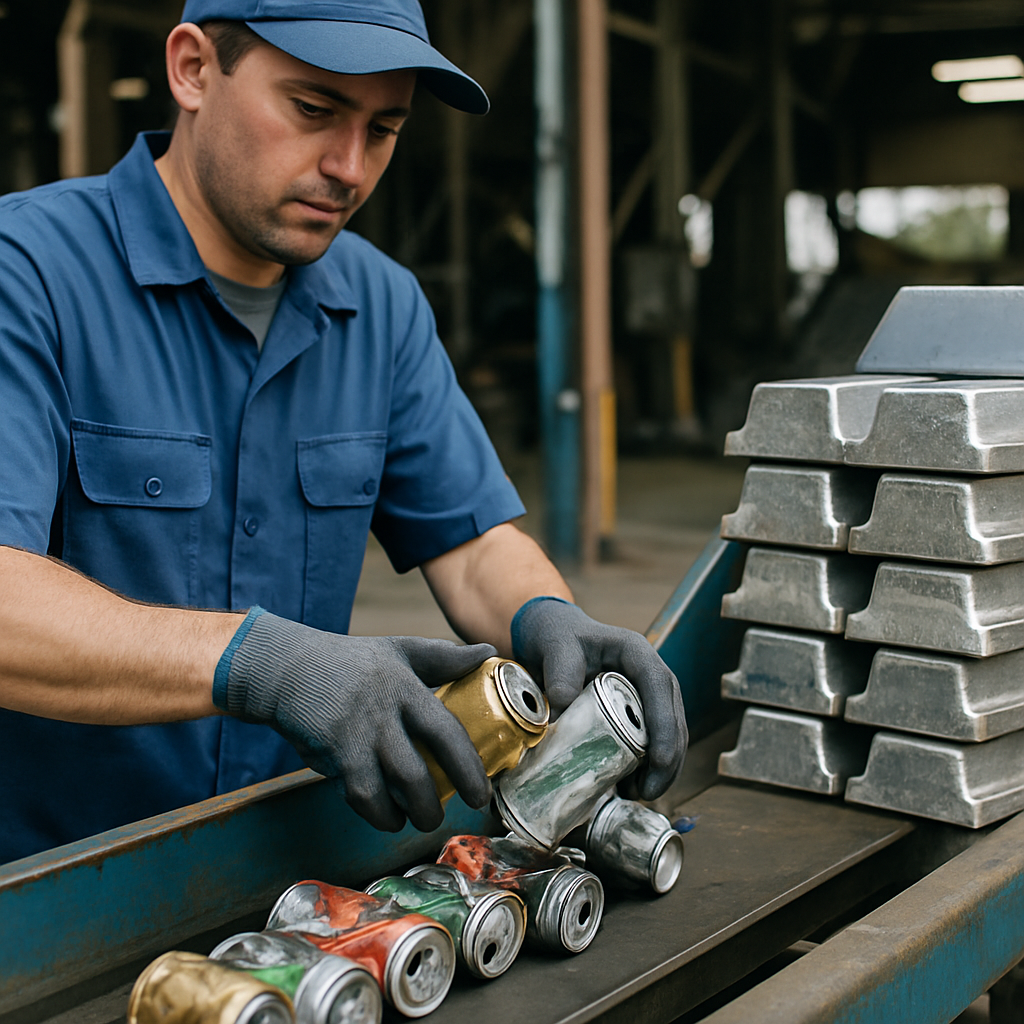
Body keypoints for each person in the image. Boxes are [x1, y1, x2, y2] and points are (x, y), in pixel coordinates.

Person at [0, 0, 686, 865]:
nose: (348, 167)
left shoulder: (382, 305)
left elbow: (471, 545)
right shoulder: (26, 273)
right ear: (192, 70)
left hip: (281, 873)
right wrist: (260, 662)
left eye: (384, 129)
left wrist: (547, 617)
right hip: (45, 886)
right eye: (313, 110)